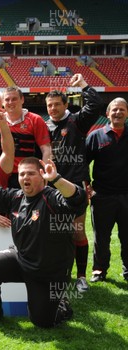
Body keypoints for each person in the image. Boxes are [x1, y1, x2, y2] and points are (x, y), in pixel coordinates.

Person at [0, 157, 87, 328]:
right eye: (22, 174)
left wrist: (57, 179)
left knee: (42, 322)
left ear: (42, 176)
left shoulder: (53, 198)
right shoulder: (16, 197)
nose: (25, 177)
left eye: (31, 173)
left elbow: (78, 199)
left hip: (48, 273)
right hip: (22, 259)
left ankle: (61, 303)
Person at [45, 73, 104, 291]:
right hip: (51, 188)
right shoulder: (44, 126)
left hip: (76, 187)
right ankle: (60, 274)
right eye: (49, 105)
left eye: (56, 105)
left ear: (65, 104)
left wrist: (83, 85)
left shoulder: (77, 122)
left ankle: (81, 278)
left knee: (77, 230)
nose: (52, 109)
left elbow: (96, 105)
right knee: (55, 232)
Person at [85, 98, 128, 283]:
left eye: (122, 110)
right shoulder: (95, 136)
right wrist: (87, 185)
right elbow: (82, 163)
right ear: (107, 114)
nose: (118, 113)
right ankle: (99, 270)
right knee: (101, 237)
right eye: (114, 110)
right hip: (102, 195)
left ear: (127, 113)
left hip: (127, 195)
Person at [3, 86, 52, 188]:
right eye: (7, 99)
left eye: (14, 99)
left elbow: (46, 149)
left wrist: (45, 174)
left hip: (27, 174)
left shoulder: (35, 120)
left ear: (22, 100)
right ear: (3, 102)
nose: (10, 102)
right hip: (3, 174)